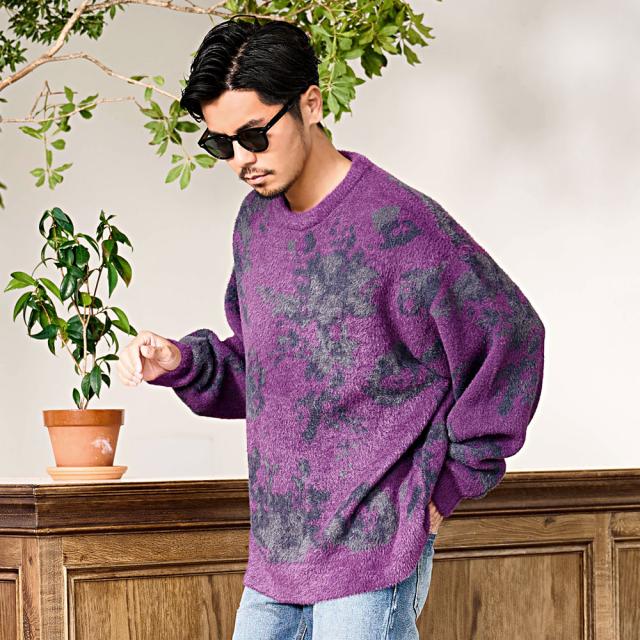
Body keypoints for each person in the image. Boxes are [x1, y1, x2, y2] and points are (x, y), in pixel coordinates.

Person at [117, 16, 545, 640]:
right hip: (277, 555)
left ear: (311, 105)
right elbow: (266, 373)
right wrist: (182, 363)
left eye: (254, 135)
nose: (241, 161)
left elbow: (514, 335)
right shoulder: (255, 226)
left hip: (373, 553)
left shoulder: (402, 227)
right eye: (221, 144)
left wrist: (451, 483)